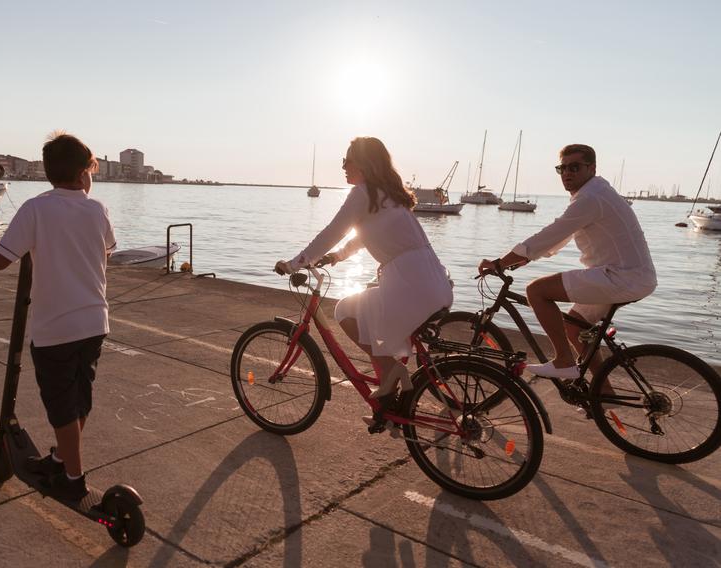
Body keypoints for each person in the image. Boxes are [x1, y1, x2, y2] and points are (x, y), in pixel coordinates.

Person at [275, 137, 453, 432]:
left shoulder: (362, 192)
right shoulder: (390, 195)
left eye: (347, 160)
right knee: (373, 320)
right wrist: (338, 256)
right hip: (434, 281)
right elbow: (363, 233)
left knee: (346, 310)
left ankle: (393, 374)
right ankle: (390, 406)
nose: (343, 166)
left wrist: (295, 263)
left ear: (363, 163)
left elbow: (333, 230)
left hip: (408, 284)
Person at [0, 132, 116, 500]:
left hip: (55, 327)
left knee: (61, 406)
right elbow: (106, 255)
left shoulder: (36, 209)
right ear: (81, 173)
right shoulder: (98, 209)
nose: (92, 177)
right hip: (93, 323)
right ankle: (60, 458)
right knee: (78, 399)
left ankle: (73, 478)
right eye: (90, 169)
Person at [478, 144, 656, 380]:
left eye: (574, 167)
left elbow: (553, 232)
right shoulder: (595, 193)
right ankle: (601, 394)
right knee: (574, 327)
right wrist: (523, 259)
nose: (567, 173)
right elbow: (562, 235)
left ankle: (563, 361)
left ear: (591, 168)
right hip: (631, 277)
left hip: (621, 277)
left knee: (536, 290)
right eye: (562, 168)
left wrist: (501, 262)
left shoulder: (591, 198)